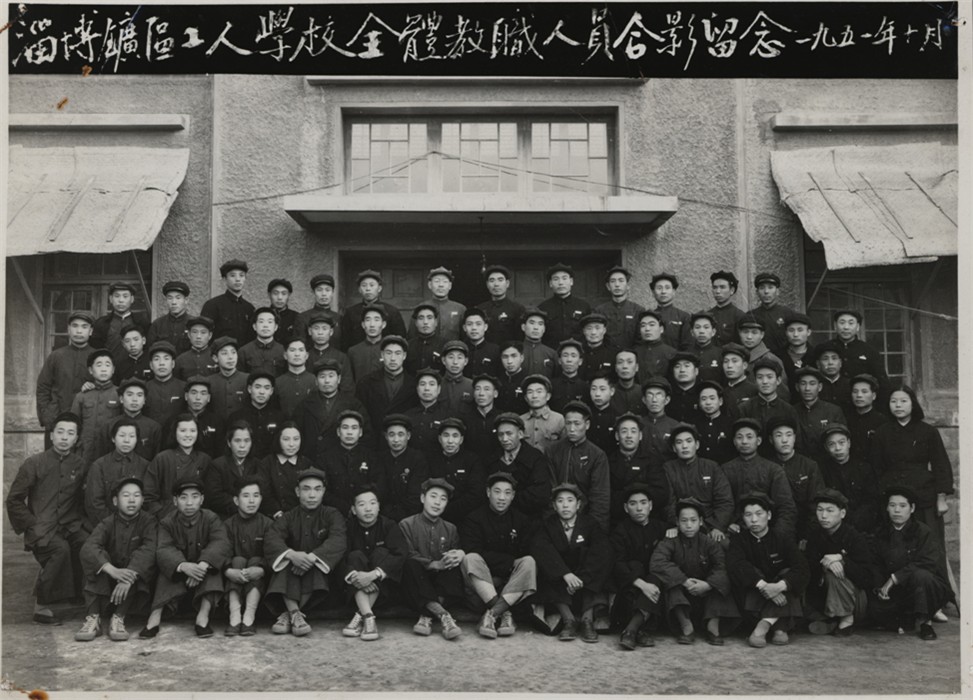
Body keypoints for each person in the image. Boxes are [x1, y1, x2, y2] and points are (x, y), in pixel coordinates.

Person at [6, 412, 89, 625]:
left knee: (87, 545)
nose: (64, 437)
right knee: (60, 550)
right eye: (60, 432)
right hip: (42, 528)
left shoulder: (80, 464)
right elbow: (14, 500)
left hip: (70, 525)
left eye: (70, 433)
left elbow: (82, 498)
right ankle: (41, 605)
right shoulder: (34, 463)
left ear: (76, 438)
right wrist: (32, 524)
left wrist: (80, 522)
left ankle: (80, 596)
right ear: (51, 435)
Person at [869, 385, 954, 579]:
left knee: (931, 545)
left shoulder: (928, 431)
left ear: (913, 404)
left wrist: (941, 498)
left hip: (924, 497)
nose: (898, 405)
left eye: (903, 401)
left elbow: (941, 464)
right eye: (893, 401)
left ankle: (938, 590)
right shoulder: (882, 433)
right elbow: (876, 469)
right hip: (894, 498)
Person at [141, 480, 231, 638]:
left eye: (195, 497)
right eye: (183, 498)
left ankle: (203, 616)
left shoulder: (211, 518)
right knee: (165, 570)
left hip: (203, 573)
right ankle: (155, 615)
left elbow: (220, 542)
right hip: (180, 575)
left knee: (214, 569)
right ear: (175, 501)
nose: (189, 503)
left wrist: (202, 566)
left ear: (202, 499)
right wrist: (183, 566)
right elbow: (164, 548)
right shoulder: (167, 522)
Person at [263, 468, 348, 637]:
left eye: (317, 489)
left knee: (315, 568)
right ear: (297, 491)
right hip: (292, 572)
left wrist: (311, 558)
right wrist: (291, 555)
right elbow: (272, 538)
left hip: (319, 575)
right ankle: (295, 614)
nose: (312, 495)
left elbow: (338, 540)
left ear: (323, 491)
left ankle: (288, 614)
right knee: (284, 564)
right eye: (306, 489)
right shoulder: (289, 516)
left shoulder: (332, 514)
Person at [75, 477, 157, 642]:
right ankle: (93, 617)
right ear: (115, 500)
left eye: (136, 495)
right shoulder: (107, 523)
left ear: (142, 500)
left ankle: (119, 617)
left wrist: (128, 576)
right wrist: (111, 570)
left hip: (132, 590)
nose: (131, 500)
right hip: (106, 587)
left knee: (138, 563)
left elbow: (149, 549)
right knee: (97, 559)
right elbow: (89, 547)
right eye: (126, 495)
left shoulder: (149, 522)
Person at [649, 497, 739, 646]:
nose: (689, 525)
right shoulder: (670, 541)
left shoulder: (709, 542)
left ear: (701, 521)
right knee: (670, 584)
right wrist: (684, 581)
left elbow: (722, 565)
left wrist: (708, 585)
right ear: (677, 522)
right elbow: (658, 562)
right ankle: (686, 625)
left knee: (721, 584)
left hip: (705, 594)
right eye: (684, 521)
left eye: (693, 520)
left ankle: (713, 625)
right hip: (681, 595)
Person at [530, 483, 612, 643]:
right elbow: (541, 548)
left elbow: (602, 551)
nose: (565, 505)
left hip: (584, 580)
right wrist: (565, 574)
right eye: (560, 501)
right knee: (547, 570)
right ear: (554, 506)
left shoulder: (590, 524)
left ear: (578, 504)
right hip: (561, 580)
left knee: (599, 564)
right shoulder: (548, 525)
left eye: (570, 500)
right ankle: (569, 620)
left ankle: (587, 620)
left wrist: (581, 579)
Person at [868, 486, 953, 641]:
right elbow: (875, 564)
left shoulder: (923, 531)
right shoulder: (880, 533)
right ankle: (904, 618)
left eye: (902, 506)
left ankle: (925, 623)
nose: (897, 510)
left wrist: (894, 578)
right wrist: (880, 587)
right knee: (873, 611)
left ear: (912, 508)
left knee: (922, 576)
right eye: (892, 505)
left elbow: (927, 563)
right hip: (896, 590)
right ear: (887, 508)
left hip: (922, 585)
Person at [460, 471, 538, 639]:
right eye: (497, 491)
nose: (502, 498)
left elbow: (524, 555)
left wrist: (508, 568)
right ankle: (505, 614)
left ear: (513, 496)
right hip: (481, 592)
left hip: (510, 591)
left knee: (529, 562)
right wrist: (508, 563)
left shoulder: (521, 520)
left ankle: (492, 614)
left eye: (507, 493)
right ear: (488, 492)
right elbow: (474, 550)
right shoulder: (474, 518)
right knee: (470, 558)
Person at [727, 492, 809, 648]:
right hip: (755, 596)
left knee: (788, 575)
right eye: (748, 515)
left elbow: (802, 568)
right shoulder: (739, 540)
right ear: (743, 518)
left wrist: (779, 587)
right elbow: (736, 566)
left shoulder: (782, 538)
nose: (754, 519)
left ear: (769, 515)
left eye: (759, 514)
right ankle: (779, 627)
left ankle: (764, 625)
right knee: (749, 573)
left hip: (781, 590)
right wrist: (765, 586)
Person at [399, 478, 466, 640]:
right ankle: (443, 615)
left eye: (443, 499)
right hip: (418, 580)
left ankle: (427, 615)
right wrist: (433, 564)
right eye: (433, 496)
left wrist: (455, 556)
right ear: (423, 498)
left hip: (440, 583)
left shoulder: (450, 529)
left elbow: (452, 558)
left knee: (454, 568)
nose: (437, 503)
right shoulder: (406, 524)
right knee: (409, 565)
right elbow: (407, 554)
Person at [340, 486, 408, 641]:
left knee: (381, 553)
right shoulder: (348, 527)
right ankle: (368, 617)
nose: (368, 509)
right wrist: (355, 577)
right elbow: (340, 556)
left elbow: (401, 554)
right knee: (355, 556)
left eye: (372, 503)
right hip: (354, 588)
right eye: (362, 504)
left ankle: (360, 616)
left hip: (385, 590)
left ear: (379, 506)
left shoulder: (389, 525)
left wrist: (373, 575)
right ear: (354, 510)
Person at [804, 489, 874, 637]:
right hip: (824, 593)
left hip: (854, 597)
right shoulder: (814, 536)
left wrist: (842, 561)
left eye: (830, 511)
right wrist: (825, 564)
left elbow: (867, 578)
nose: (824, 516)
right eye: (820, 510)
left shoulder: (854, 537)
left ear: (842, 513)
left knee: (834, 573)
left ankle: (846, 619)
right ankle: (830, 618)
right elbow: (809, 569)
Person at [609, 483, 668, 648]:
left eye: (643, 503)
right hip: (631, 586)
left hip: (656, 585)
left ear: (651, 505)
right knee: (635, 567)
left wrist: (675, 531)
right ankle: (640, 630)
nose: (639, 508)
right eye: (633, 504)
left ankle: (631, 630)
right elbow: (617, 563)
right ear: (626, 508)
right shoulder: (620, 531)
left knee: (656, 578)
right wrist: (642, 585)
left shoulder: (662, 528)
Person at [720, 418, 798, 540]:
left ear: (759, 441)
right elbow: (721, 503)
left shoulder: (773, 469)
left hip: (769, 532)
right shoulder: (725, 470)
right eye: (739, 437)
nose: (744, 441)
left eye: (749, 437)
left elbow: (786, 507)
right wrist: (728, 524)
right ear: (734, 441)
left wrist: (776, 535)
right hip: (735, 532)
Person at [546, 401, 611, 531]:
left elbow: (600, 497)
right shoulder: (552, 451)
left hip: (585, 519)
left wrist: (595, 529)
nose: (571, 429)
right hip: (556, 518)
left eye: (577, 424)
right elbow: (548, 489)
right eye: (568, 423)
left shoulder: (597, 455)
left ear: (587, 425)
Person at [222, 475, 274, 636]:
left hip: (259, 579)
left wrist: (262, 570)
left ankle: (249, 616)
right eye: (246, 496)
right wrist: (228, 571)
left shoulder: (268, 524)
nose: (252, 501)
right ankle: (235, 615)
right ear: (236, 500)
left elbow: (274, 553)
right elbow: (221, 552)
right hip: (234, 576)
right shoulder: (227, 525)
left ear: (261, 499)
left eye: (256, 496)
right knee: (237, 560)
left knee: (256, 560)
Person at [662, 424, 733, 542]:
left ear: (697, 445)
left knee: (723, 544)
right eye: (679, 442)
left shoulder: (711, 467)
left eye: (689, 441)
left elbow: (725, 500)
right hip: (681, 525)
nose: (684, 446)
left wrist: (717, 526)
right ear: (674, 448)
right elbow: (668, 502)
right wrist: (676, 524)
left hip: (709, 524)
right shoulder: (668, 469)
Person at [293, 358, 370, 458]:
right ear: (316, 381)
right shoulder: (304, 405)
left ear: (339, 379)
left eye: (331, 376)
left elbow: (367, 435)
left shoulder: (353, 405)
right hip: (313, 459)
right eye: (322, 376)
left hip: (343, 459)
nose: (327, 381)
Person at [36, 311, 96, 435]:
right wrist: (46, 415)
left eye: (84, 327)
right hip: (57, 419)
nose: (79, 331)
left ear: (90, 331)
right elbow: (43, 387)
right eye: (75, 326)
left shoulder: (98, 357)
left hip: (87, 420)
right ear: (68, 330)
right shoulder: (56, 356)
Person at [767, 416, 824, 546]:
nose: (784, 440)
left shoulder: (809, 466)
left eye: (789, 435)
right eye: (778, 435)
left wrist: (807, 537)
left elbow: (816, 505)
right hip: (772, 529)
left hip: (802, 530)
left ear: (794, 437)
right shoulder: (766, 466)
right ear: (771, 439)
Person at [143, 414, 212, 519]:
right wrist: (162, 514)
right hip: (166, 517)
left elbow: (210, 496)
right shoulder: (162, 458)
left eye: (193, 431)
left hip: (198, 519)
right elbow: (148, 494)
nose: (188, 435)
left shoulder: (205, 460)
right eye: (183, 431)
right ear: (174, 432)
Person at [487, 413, 554, 519]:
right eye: (500, 434)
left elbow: (540, 493)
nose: (504, 439)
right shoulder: (492, 458)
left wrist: (508, 500)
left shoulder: (535, 458)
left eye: (509, 434)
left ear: (520, 434)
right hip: (496, 517)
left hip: (527, 517)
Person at [85, 419, 149, 527]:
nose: (126, 440)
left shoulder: (146, 466)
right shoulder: (99, 466)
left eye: (132, 436)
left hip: (138, 527)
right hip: (105, 526)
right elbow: (94, 504)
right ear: (113, 438)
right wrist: (114, 527)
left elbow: (148, 502)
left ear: (137, 439)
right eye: (122, 435)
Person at [607, 413, 668, 527]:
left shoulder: (652, 460)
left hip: (649, 521)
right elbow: (607, 496)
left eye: (633, 431)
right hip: (618, 521)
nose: (629, 436)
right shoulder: (608, 461)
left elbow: (661, 494)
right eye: (624, 431)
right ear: (617, 436)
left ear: (640, 436)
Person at [818, 424, 881, 533]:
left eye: (841, 442)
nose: (838, 448)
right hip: (834, 526)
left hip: (862, 526)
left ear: (849, 443)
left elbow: (871, 501)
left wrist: (856, 521)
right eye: (832, 444)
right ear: (826, 447)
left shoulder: (864, 468)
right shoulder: (822, 470)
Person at [319, 410, 382, 515]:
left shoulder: (371, 457)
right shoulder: (325, 458)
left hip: (365, 512)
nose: (349, 432)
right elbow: (322, 490)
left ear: (360, 432)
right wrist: (345, 508)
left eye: (354, 428)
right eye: (345, 427)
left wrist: (360, 507)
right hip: (335, 513)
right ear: (338, 432)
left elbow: (379, 486)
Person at [426, 417, 487, 524]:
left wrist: (447, 510)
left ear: (461, 440)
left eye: (455, 436)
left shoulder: (472, 460)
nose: (450, 441)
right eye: (446, 435)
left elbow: (475, 494)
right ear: (439, 438)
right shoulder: (430, 460)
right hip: (433, 515)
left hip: (463, 518)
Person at [355, 336, 419, 431]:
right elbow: (360, 416)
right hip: (375, 436)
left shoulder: (414, 385)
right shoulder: (366, 383)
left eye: (398, 353)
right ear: (382, 355)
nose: (393, 358)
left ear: (404, 356)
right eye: (388, 353)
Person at [374, 414, 429, 523]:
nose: (396, 440)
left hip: (409, 519)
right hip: (381, 518)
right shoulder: (379, 459)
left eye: (400, 434)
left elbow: (415, 498)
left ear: (408, 436)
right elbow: (378, 493)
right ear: (386, 436)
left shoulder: (417, 459)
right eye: (391, 434)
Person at [70, 348, 121, 465]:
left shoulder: (120, 394)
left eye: (107, 365)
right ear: (91, 370)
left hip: (111, 449)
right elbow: (73, 425)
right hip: (86, 451)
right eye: (99, 365)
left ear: (113, 370)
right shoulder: (82, 396)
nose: (103, 369)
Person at [257, 422, 315, 519]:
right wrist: (278, 514)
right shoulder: (267, 463)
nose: (291, 444)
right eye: (286, 439)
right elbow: (264, 494)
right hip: (274, 517)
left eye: (296, 439)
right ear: (278, 440)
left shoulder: (306, 463)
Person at [204, 421, 261, 520]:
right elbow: (214, 497)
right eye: (237, 441)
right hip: (225, 517)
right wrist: (242, 506)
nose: (242, 445)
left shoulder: (258, 464)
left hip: (254, 517)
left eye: (247, 441)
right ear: (229, 443)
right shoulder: (217, 465)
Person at [831, 310, 889, 405]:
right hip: (833, 403)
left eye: (851, 323)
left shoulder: (869, 351)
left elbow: (882, 383)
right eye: (842, 322)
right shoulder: (826, 349)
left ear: (858, 327)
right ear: (835, 325)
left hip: (861, 404)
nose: (846, 327)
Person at [340, 270, 406, 350]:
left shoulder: (392, 311)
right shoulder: (351, 312)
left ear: (379, 288)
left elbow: (400, 339)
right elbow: (345, 342)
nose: (368, 289)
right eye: (364, 285)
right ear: (359, 289)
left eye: (372, 285)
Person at [227, 371, 285, 459]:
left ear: (271, 391)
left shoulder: (281, 418)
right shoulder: (236, 417)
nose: (262, 392)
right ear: (249, 389)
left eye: (266, 388)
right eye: (257, 387)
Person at [794, 367, 846, 462]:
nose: (807, 388)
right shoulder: (791, 411)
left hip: (827, 463)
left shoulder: (833, 411)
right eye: (803, 384)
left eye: (812, 384)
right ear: (797, 387)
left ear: (820, 387)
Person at [92, 282, 151, 365]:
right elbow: (95, 349)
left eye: (125, 296)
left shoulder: (142, 322)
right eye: (117, 296)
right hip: (110, 368)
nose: (121, 300)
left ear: (132, 299)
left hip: (135, 367)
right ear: (110, 299)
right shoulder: (101, 323)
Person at [200, 259, 256, 346]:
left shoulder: (249, 308)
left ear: (245, 279)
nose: (238, 279)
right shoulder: (212, 305)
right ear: (225, 279)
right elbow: (204, 335)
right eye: (232, 275)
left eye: (241, 275)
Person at [167, 375, 223, 458]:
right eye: (194, 393)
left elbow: (220, 453)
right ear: (186, 396)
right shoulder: (174, 420)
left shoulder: (217, 421)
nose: (198, 398)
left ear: (208, 398)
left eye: (203, 393)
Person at [107, 377, 162, 462]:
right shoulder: (110, 425)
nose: (134, 399)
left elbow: (156, 460)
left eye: (139, 395)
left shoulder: (154, 427)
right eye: (130, 395)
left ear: (144, 400)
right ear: (121, 399)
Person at [538, 263, 591, 347]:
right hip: (552, 352)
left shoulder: (584, 306)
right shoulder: (543, 308)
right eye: (556, 279)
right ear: (550, 283)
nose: (560, 283)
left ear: (571, 281)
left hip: (578, 352)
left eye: (564, 278)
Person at [403, 368, 452, 457]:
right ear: (417, 388)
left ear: (439, 389)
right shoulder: (407, 415)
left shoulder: (448, 416)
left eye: (432, 384)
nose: (427, 388)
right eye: (422, 384)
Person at [747, 272, 799, 356]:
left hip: (783, 358)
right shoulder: (751, 315)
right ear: (757, 292)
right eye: (762, 288)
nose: (766, 291)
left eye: (770, 287)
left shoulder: (788, 314)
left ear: (777, 291)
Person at [595, 266, 645, 351]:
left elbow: (641, 339)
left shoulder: (638, 310)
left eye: (621, 281)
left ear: (628, 286)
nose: (617, 285)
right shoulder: (599, 311)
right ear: (608, 286)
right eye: (613, 281)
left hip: (631, 355)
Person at [410, 266, 466, 341]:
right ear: (430, 285)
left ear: (450, 286)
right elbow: (412, 336)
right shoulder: (420, 308)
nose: (441, 285)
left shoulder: (460, 309)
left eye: (445, 281)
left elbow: (465, 337)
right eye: (437, 281)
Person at [477, 264, 526, 346]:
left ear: (507, 283)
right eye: (492, 280)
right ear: (487, 284)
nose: (496, 284)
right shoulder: (480, 309)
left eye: (500, 280)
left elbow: (520, 338)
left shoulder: (517, 309)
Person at [306, 312, 354, 394]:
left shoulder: (341, 357)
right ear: (310, 331)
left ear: (331, 332)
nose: (320, 333)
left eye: (324, 329)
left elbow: (347, 387)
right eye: (316, 328)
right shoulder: (305, 357)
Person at [142, 341, 186, 426]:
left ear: (173, 364)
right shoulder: (144, 389)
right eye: (156, 359)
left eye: (166, 359)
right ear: (151, 365)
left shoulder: (184, 388)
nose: (161, 363)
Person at [460, 374, 503, 459]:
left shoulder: (502, 418)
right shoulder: (465, 419)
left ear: (495, 394)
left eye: (486, 389)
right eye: (477, 389)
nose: (481, 393)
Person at [846, 374, 888, 461]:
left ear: (874, 396)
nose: (859, 395)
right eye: (855, 391)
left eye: (864, 392)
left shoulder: (882, 421)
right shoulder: (846, 418)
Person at [294, 273, 342, 350]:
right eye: (319, 290)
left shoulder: (339, 318)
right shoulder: (303, 318)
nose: (324, 294)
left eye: (327, 290)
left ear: (332, 292)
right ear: (313, 292)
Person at [694, 380, 735, 464]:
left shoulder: (731, 424)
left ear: (720, 401)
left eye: (712, 398)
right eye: (703, 399)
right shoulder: (694, 424)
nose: (708, 402)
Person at [640, 377, 680, 464]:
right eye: (650, 395)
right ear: (644, 400)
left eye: (659, 395)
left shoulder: (675, 426)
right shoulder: (638, 424)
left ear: (667, 400)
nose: (654, 400)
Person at [207, 336, 249, 419]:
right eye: (224, 353)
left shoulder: (248, 379)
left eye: (233, 352)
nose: (230, 357)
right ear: (215, 358)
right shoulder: (209, 381)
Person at [520, 374, 564, 452]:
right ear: (526, 398)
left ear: (548, 396)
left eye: (539, 391)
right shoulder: (521, 420)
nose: (534, 396)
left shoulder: (559, 419)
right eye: (530, 392)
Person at [238, 307, 286, 376]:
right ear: (254, 326)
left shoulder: (283, 351)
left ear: (276, 327)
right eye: (261, 322)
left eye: (270, 322)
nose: (265, 326)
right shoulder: (244, 351)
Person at [275, 338, 317, 418]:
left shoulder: (315, 380)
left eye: (301, 350)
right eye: (292, 350)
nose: (297, 354)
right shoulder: (277, 382)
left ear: (306, 355)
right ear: (285, 355)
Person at [147, 280, 192, 355]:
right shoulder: (157, 325)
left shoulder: (193, 323)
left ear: (186, 300)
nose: (174, 302)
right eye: (170, 298)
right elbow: (150, 350)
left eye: (178, 298)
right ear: (166, 301)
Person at [649, 272, 691, 350]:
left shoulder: (684, 317)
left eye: (667, 288)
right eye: (659, 288)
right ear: (653, 292)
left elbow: (687, 346)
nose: (663, 292)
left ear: (674, 291)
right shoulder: (648, 317)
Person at [814, 341, 853, 418]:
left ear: (840, 363)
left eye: (834, 358)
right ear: (818, 364)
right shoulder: (814, 386)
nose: (830, 363)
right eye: (825, 359)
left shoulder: (850, 385)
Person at [634, 309, 676, 382]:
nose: (647, 329)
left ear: (661, 329)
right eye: (643, 325)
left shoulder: (671, 353)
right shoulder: (635, 352)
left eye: (652, 325)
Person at [348, 305, 387, 382]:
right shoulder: (353, 351)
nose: (372, 325)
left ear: (383, 324)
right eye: (368, 320)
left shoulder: (389, 350)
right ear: (363, 325)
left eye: (376, 320)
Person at [708, 270, 747, 346]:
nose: (718, 291)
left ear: (732, 290)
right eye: (715, 287)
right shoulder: (708, 315)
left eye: (722, 287)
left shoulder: (739, 316)